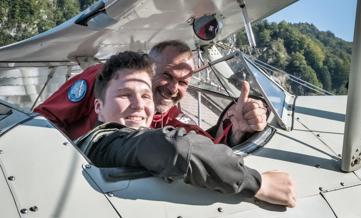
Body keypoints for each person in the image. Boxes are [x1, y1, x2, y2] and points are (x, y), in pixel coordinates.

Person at [76, 51, 296, 208]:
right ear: (99, 108)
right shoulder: (102, 141)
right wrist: (258, 183)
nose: (139, 105)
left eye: (145, 96)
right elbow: (174, 147)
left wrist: (236, 134)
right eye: (124, 95)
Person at [34, 40, 268, 144]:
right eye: (166, 75)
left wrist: (237, 133)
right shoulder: (102, 77)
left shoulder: (173, 125)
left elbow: (209, 149)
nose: (173, 89)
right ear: (148, 69)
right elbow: (44, 120)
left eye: (184, 82)